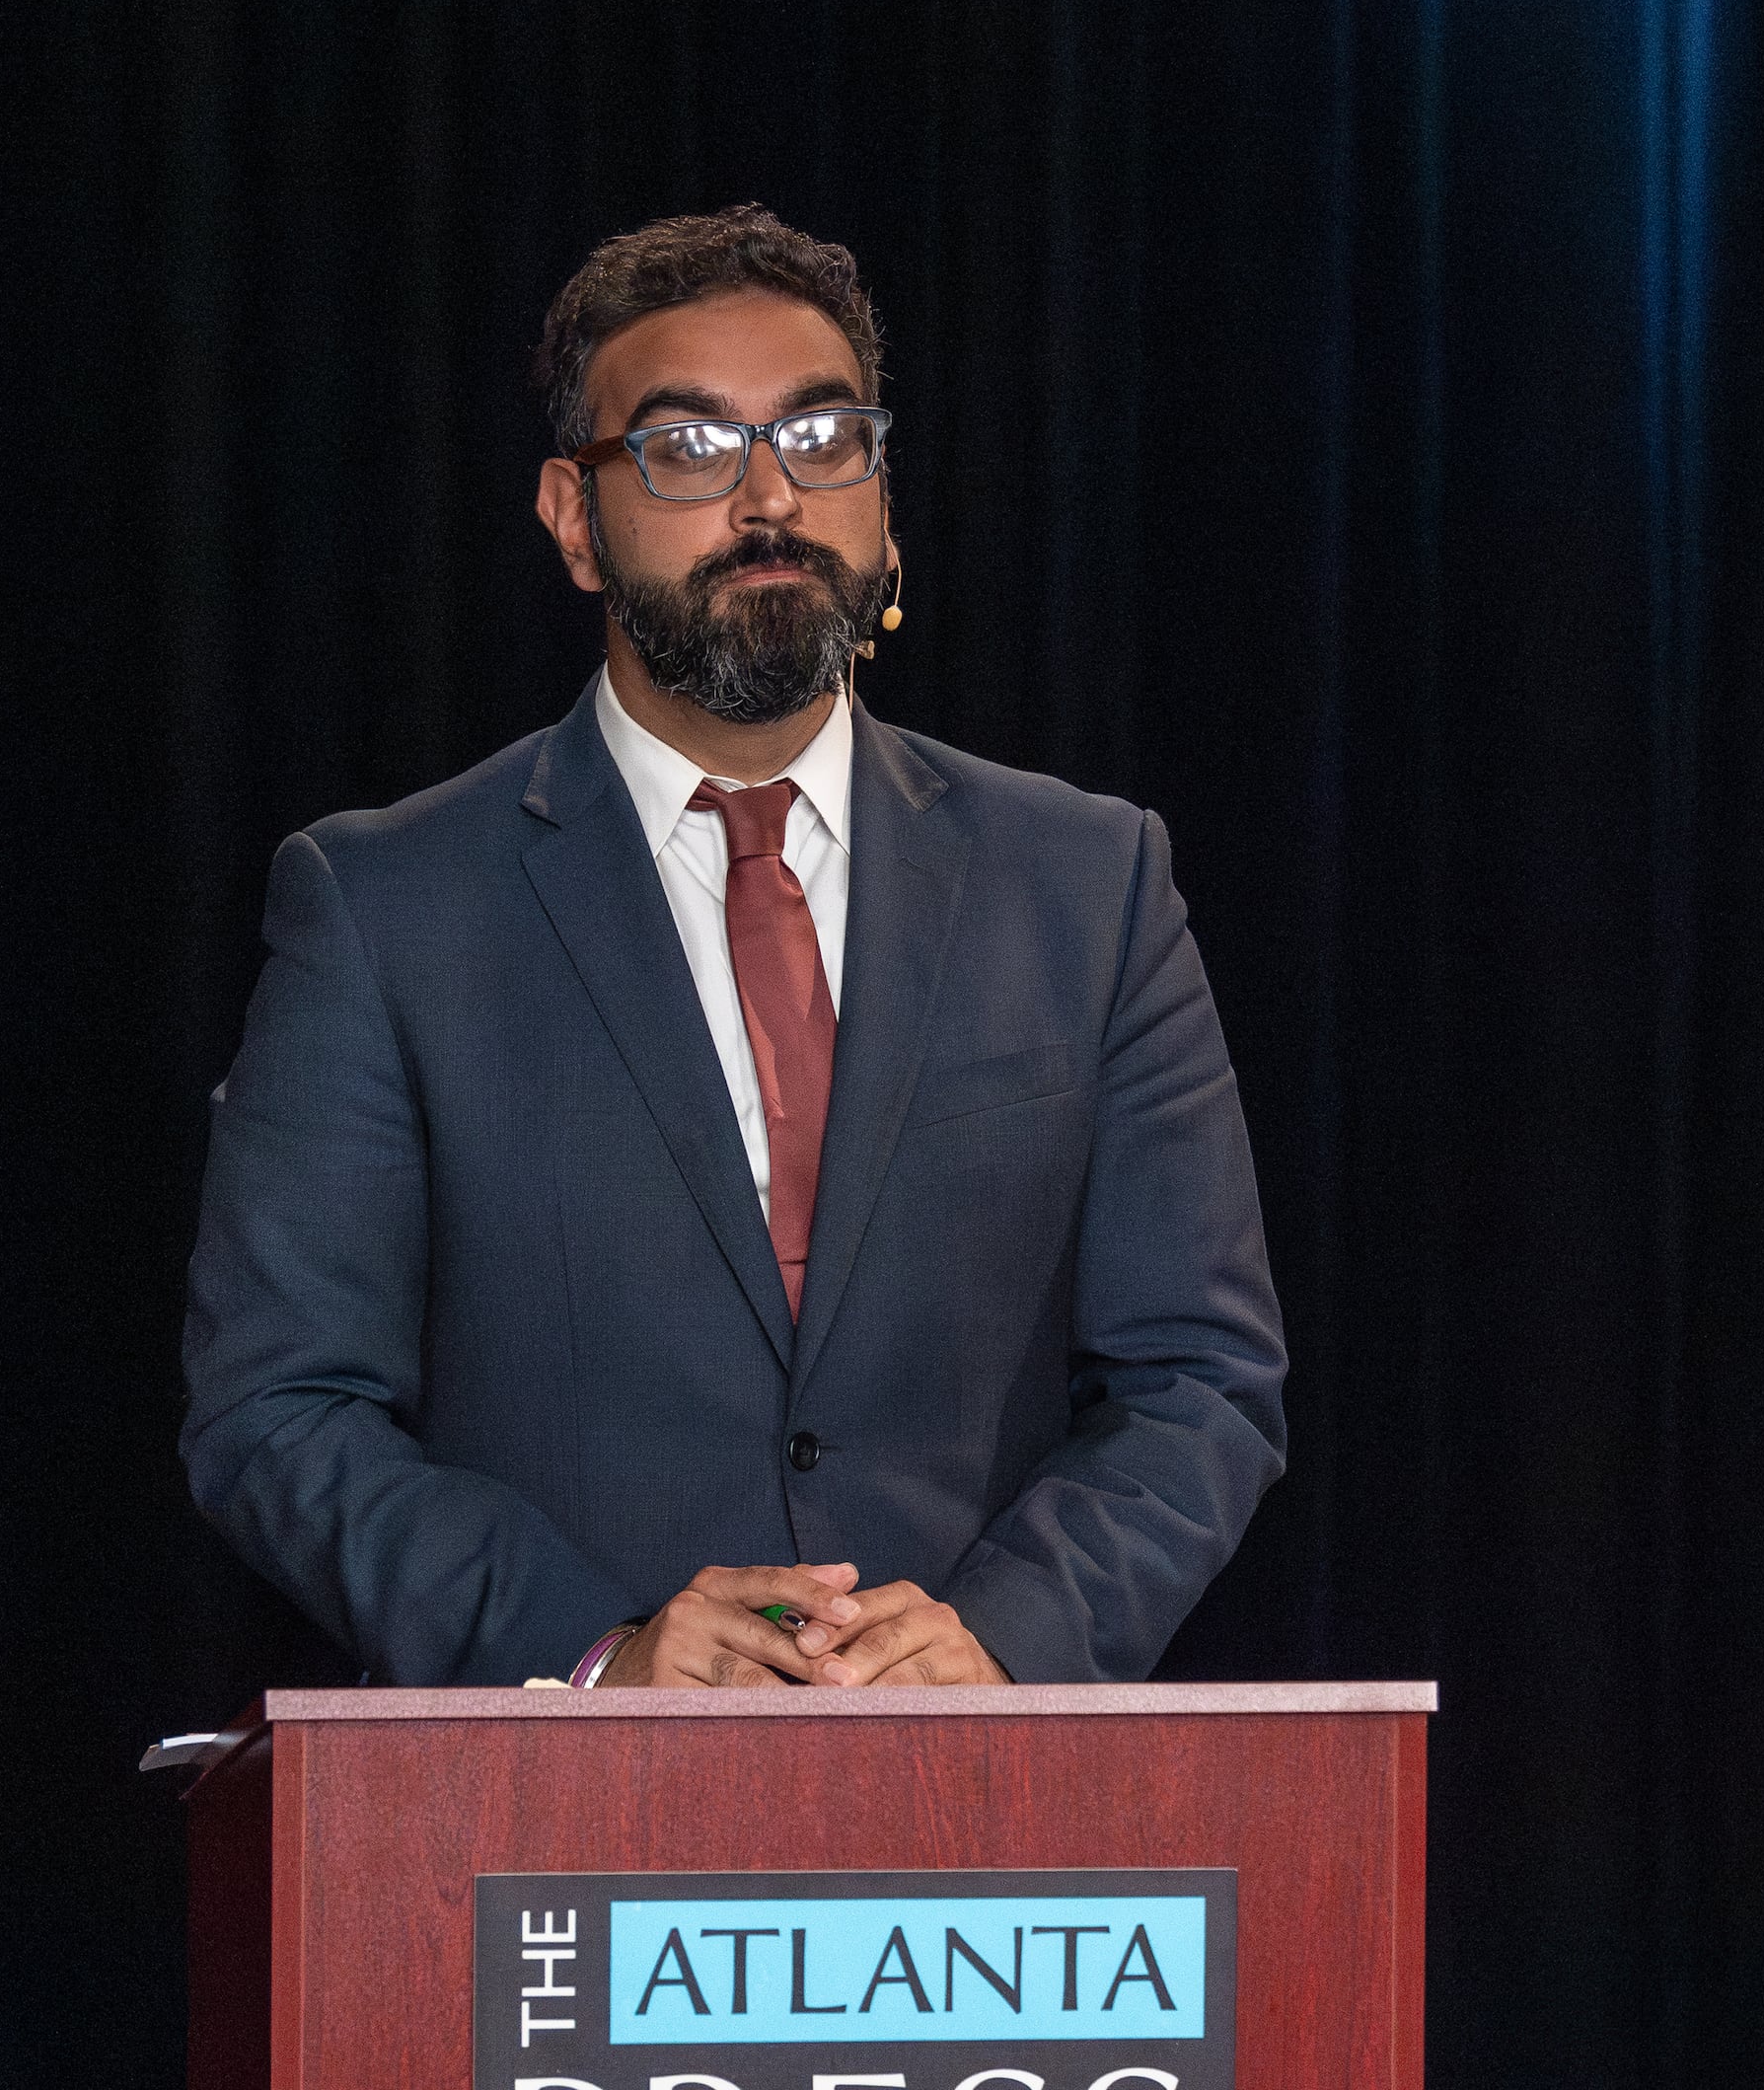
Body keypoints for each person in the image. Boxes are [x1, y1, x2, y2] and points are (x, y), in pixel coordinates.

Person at [182, 207, 1286, 1688]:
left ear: (886, 502)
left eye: (824, 437)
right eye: (689, 451)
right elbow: (278, 1406)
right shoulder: (384, 910)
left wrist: (1008, 1640)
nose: (772, 498)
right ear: (576, 521)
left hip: (993, 1837)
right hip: (555, 1849)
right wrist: (593, 1651)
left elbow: (1202, 1381)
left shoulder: (1089, 885)